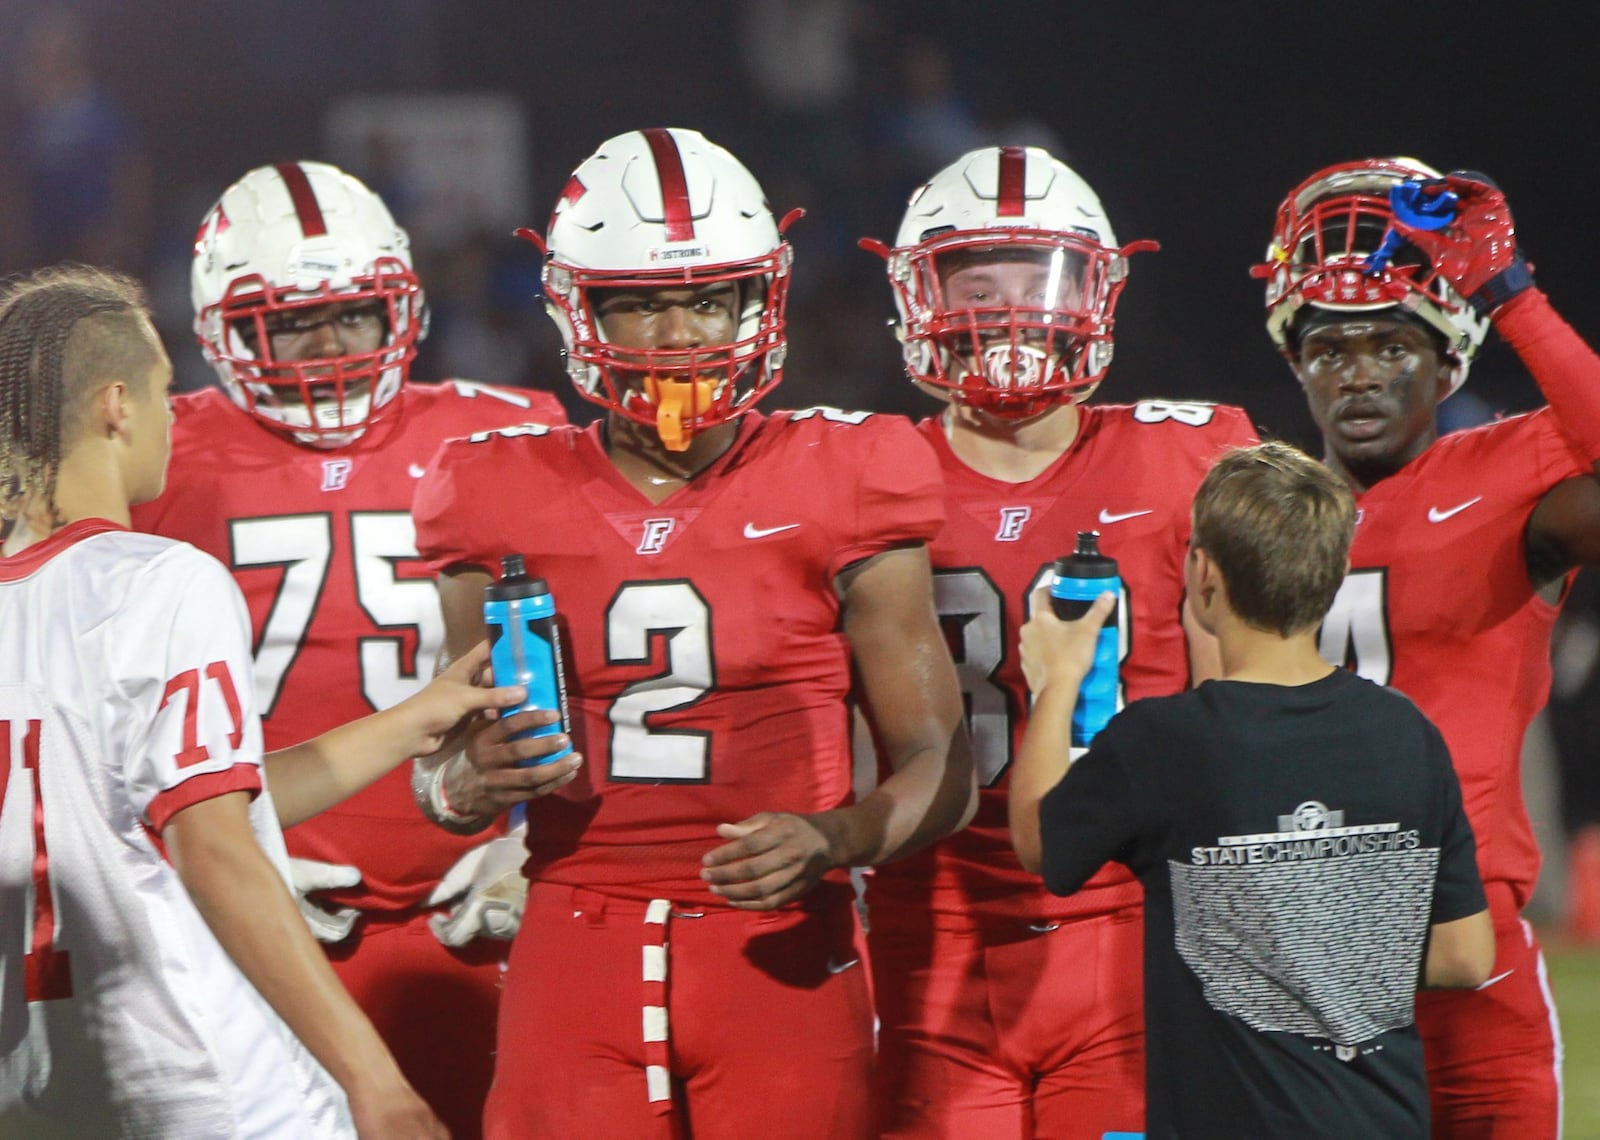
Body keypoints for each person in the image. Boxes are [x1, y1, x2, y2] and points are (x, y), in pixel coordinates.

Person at [411, 126, 975, 1140]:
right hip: (571, 948)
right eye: (639, 299)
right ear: (578, 306)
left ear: (759, 298)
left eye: (706, 297)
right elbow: (441, 771)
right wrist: (465, 784)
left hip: (781, 954)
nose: (677, 332)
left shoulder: (849, 474)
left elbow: (941, 760)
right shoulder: (493, 489)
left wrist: (835, 838)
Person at [0, 264, 528, 1137]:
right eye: (167, 392)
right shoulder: (162, 579)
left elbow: (170, 802)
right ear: (117, 405)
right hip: (196, 1074)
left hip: (41, 1085)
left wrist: (411, 721)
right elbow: (211, 844)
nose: (176, 417)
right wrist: (373, 1079)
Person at [130, 160, 567, 1139]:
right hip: (253, 920)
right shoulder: (150, 455)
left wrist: (542, 842)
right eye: (292, 321)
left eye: (352, 315)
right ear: (221, 328)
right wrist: (213, 860)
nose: (327, 346)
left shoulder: (508, 432)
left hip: (475, 903)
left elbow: (594, 670)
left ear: (399, 312)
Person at [858, 144, 1257, 1138]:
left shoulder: (1188, 455)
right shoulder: (858, 474)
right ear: (918, 295)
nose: (1004, 313)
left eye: (1032, 279)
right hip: (930, 926)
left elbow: (1240, 720)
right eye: (975, 283)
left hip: (1132, 929)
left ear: (1094, 288)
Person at [1010, 440, 1495, 1139]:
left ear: (1203, 574)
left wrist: (1056, 684)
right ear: (1334, 576)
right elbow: (1464, 957)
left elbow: (1037, 841)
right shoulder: (1405, 730)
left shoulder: (1167, 741)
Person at [1254, 158, 1600, 1136]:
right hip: (1295, 965)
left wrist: (1512, 296)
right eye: (1330, 346)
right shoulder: (1245, 504)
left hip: (1468, 962)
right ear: (1294, 357)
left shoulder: (1501, 478)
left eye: (1390, 344)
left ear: (1449, 358)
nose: (1358, 371)